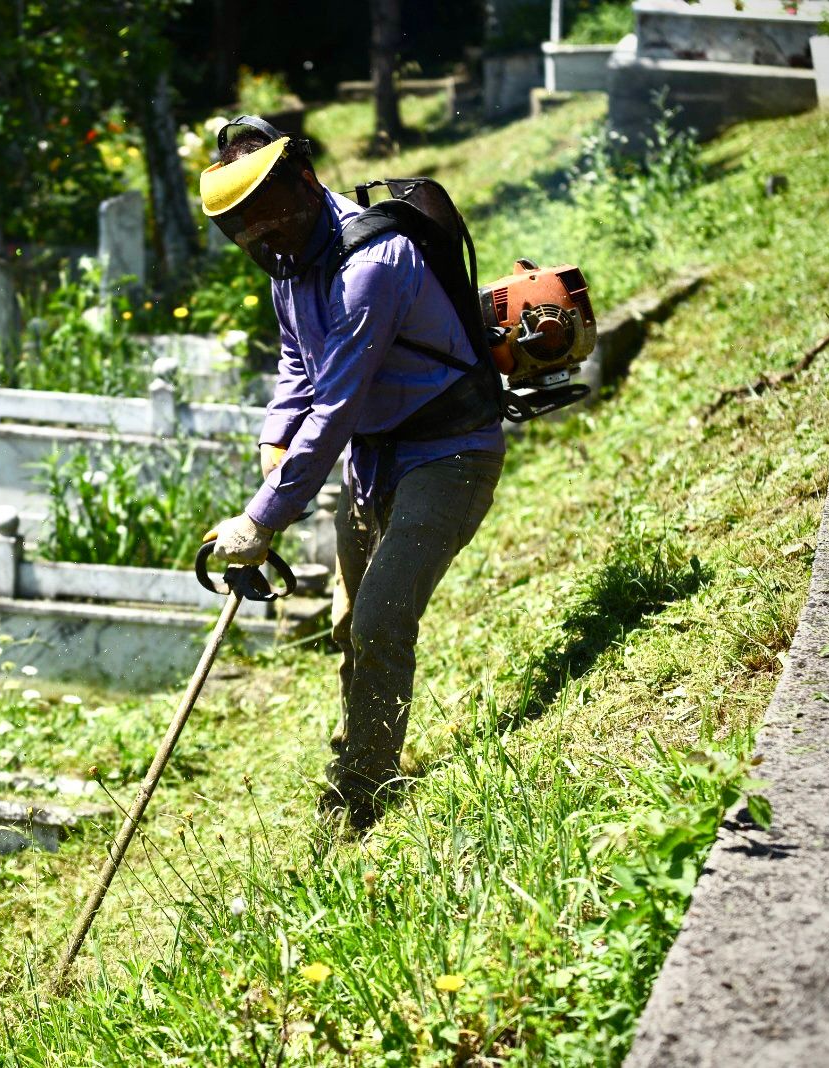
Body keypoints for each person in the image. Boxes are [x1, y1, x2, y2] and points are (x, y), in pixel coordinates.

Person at [200, 116, 505, 832]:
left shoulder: (372, 263)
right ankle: (359, 746)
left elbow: (336, 405)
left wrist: (261, 519)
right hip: (375, 462)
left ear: (305, 182)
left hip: (450, 452)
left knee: (380, 619)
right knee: (347, 622)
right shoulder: (290, 264)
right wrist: (276, 444)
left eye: (271, 218)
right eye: (248, 230)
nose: (265, 238)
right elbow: (296, 366)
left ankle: (365, 788)